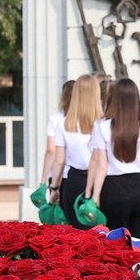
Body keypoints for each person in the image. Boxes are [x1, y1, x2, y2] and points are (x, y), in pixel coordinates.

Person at [85, 78, 140, 239]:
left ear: (114, 99)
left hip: (113, 189)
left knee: (115, 243)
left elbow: (101, 166)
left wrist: (95, 196)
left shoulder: (102, 126)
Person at [48, 74, 102, 229]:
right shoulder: (104, 123)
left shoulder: (65, 124)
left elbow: (59, 161)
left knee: (77, 235)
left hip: (74, 181)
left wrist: (54, 187)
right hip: (101, 182)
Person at [40, 80, 73, 215]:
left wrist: (44, 179)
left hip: (59, 175)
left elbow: (51, 150)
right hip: (81, 175)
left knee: (60, 217)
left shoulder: (55, 119)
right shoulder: (88, 120)